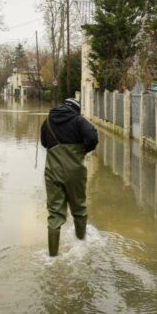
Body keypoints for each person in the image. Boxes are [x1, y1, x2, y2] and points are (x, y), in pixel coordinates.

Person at [40, 98, 98, 256]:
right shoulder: (78, 120)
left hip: (53, 172)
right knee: (79, 208)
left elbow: (44, 142)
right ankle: (81, 245)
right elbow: (93, 137)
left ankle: (52, 256)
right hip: (75, 172)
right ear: (75, 109)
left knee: (55, 214)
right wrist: (84, 150)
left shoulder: (48, 122)